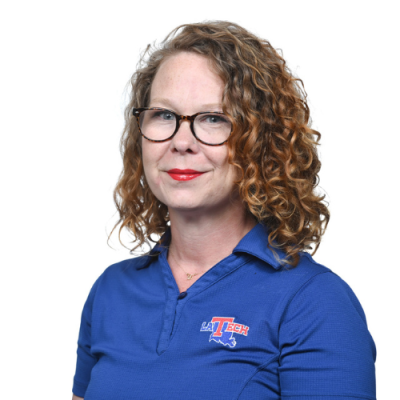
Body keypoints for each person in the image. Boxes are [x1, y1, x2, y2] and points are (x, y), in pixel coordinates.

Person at [72, 21, 376, 399]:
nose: (181, 141)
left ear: (262, 141)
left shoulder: (314, 302)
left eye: (213, 118)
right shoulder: (111, 292)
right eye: (164, 115)